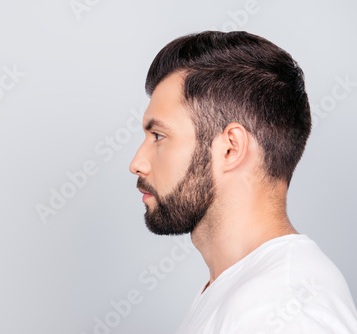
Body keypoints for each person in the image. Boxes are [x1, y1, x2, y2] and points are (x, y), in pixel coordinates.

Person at [129, 31, 357, 333]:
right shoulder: (238, 291)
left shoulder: (282, 310)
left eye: (158, 136)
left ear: (230, 148)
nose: (137, 164)